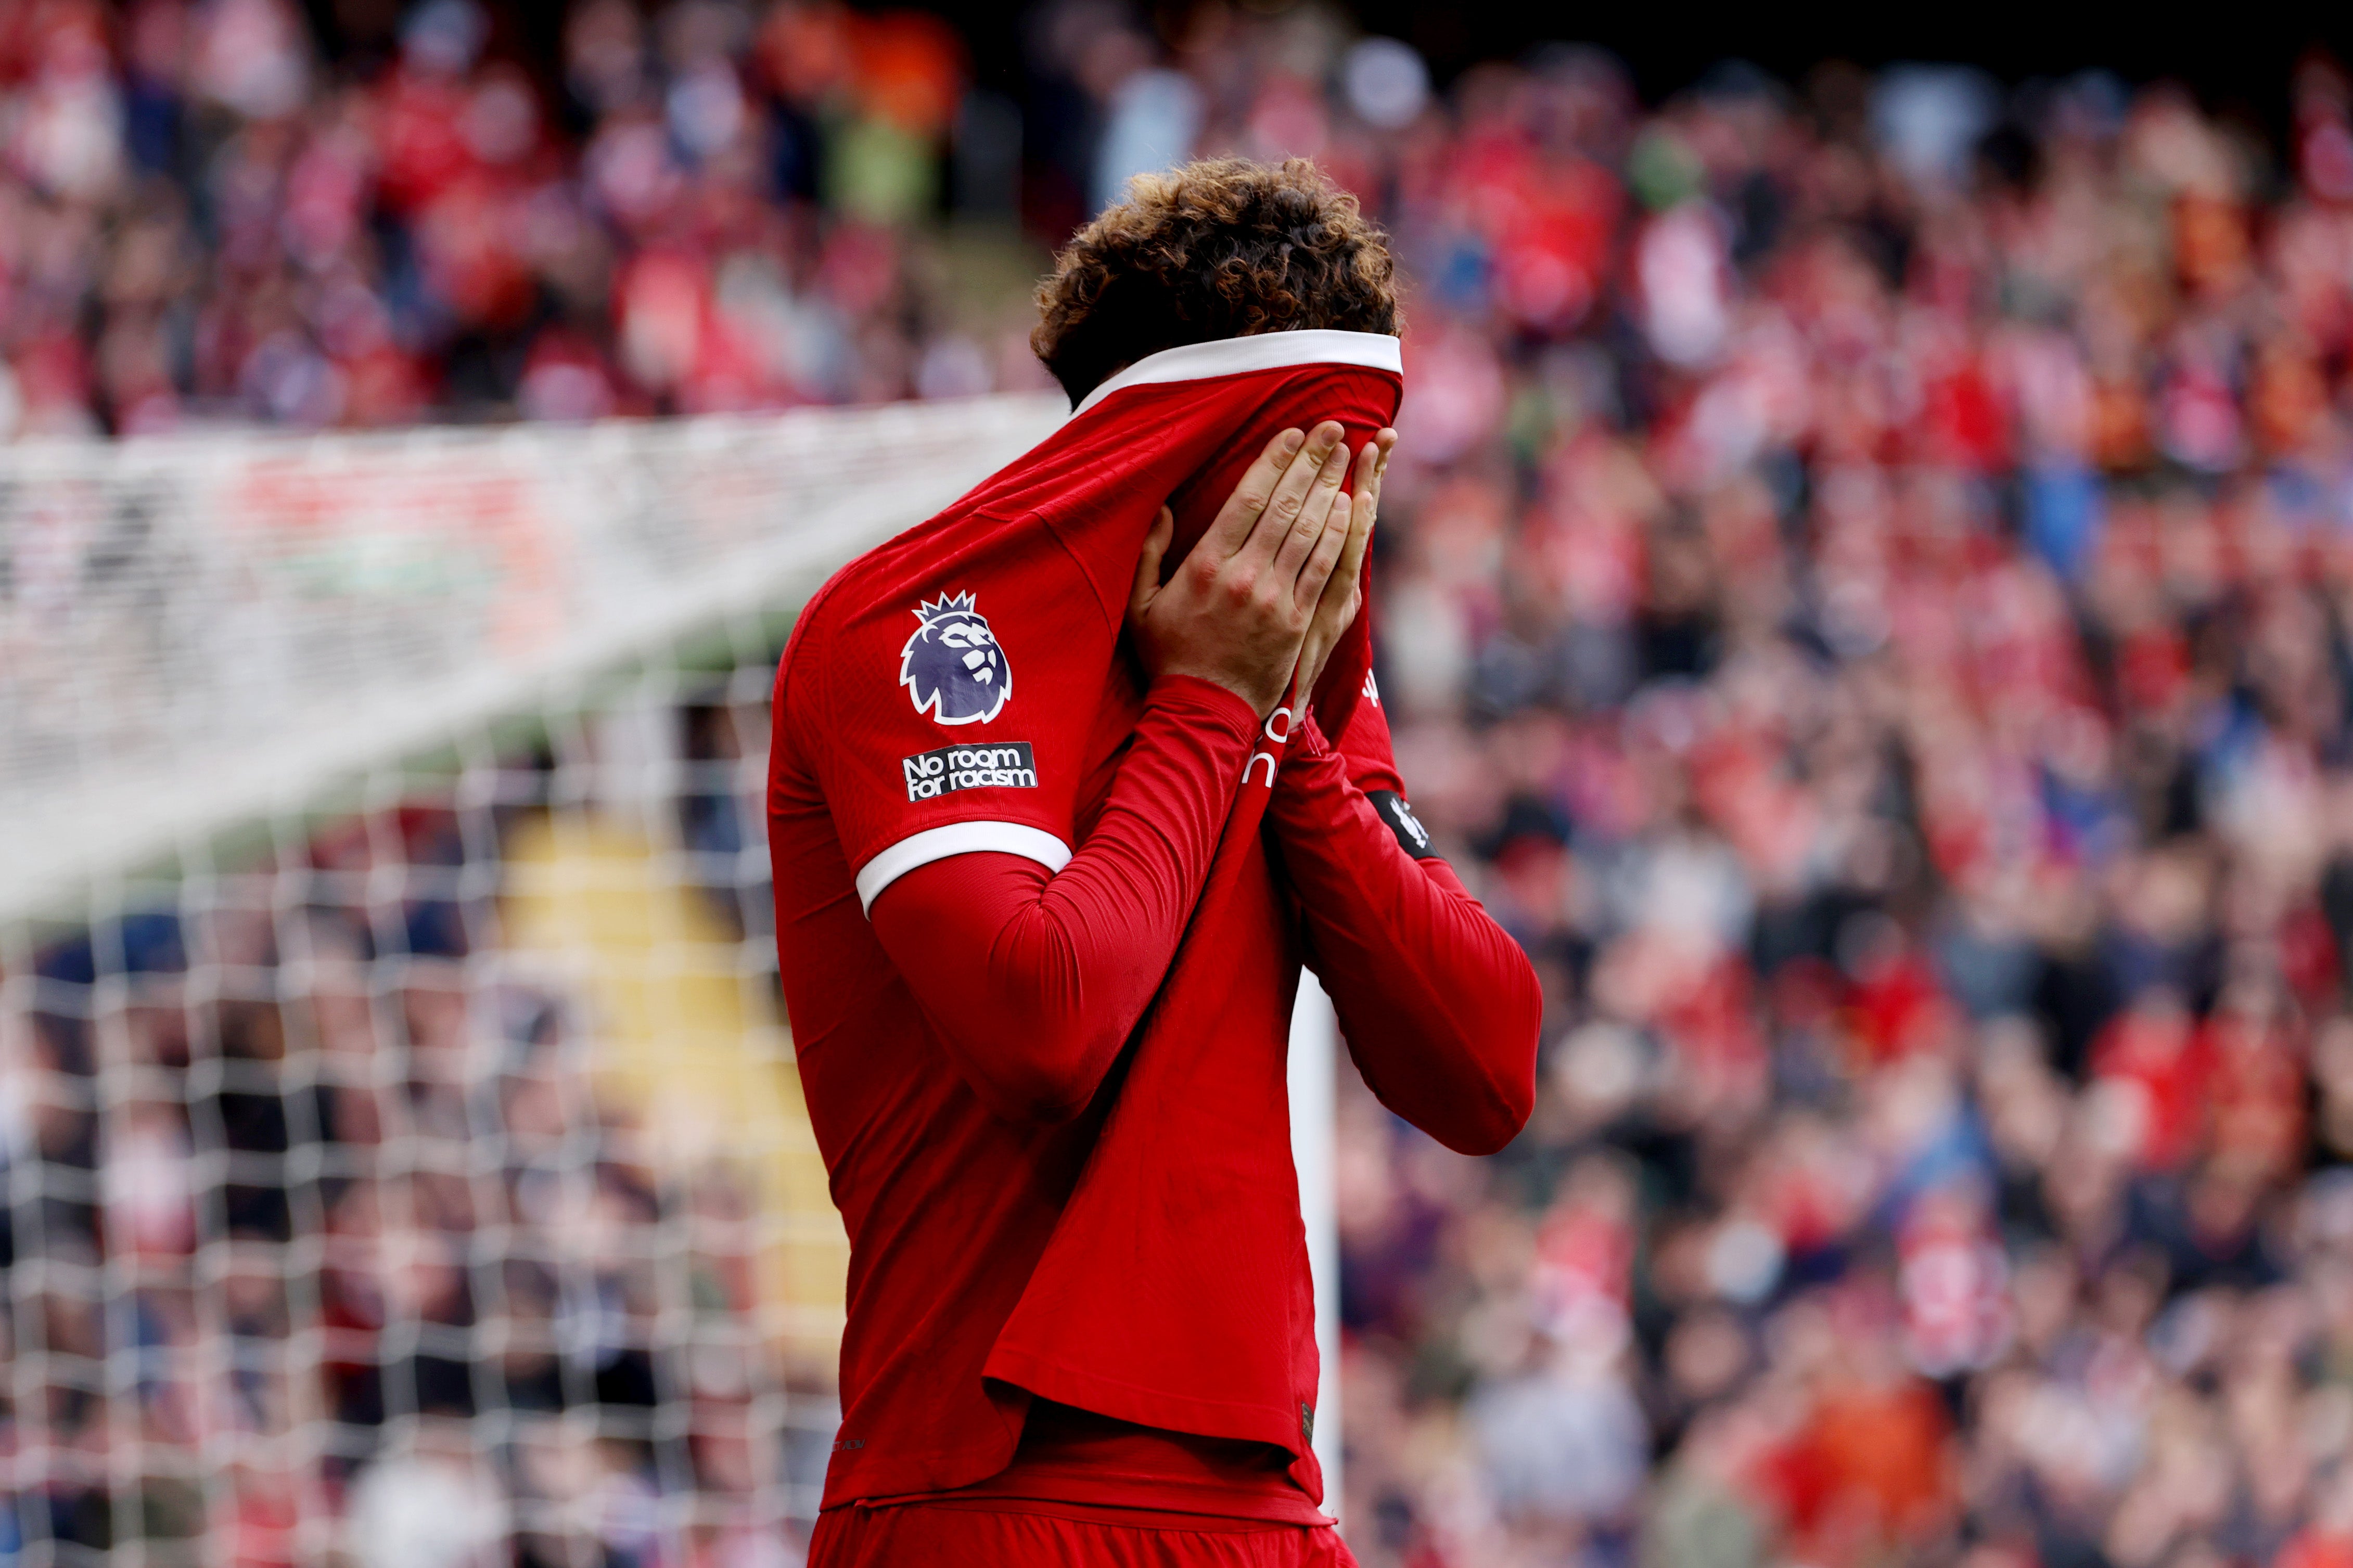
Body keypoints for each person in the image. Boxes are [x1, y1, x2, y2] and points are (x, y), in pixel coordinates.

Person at [766, 158, 1542, 1567]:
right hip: (983, 1498)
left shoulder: (1288, 683)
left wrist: (1283, 734)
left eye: (1362, 469)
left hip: (1266, 1505)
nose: (1334, 517)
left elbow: (1486, 1071)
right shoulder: (914, 628)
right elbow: (1040, 1021)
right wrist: (1210, 709)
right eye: (1305, 464)